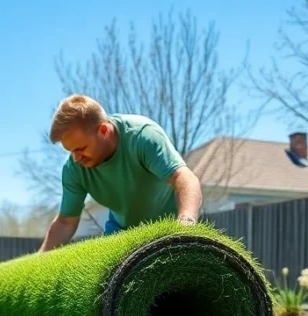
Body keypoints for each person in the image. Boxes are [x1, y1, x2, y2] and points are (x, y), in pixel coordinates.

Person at [38, 95, 203, 252]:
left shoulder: (142, 136)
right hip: (120, 232)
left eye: (80, 149)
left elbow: (185, 178)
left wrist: (185, 225)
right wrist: (40, 262)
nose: (76, 159)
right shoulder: (74, 169)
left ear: (104, 130)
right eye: (71, 151)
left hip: (168, 224)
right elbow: (66, 222)